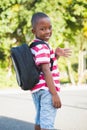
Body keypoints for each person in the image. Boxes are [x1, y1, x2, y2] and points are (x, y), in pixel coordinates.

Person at [30, 12, 71, 130]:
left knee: (39, 120)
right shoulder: (43, 47)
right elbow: (46, 71)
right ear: (34, 31)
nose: (47, 31)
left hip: (37, 89)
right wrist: (54, 94)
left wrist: (56, 56)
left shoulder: (34, 45)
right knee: (47, 124)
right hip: (47, 90)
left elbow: (45, 66)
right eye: (42, 29)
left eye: (49, 27)